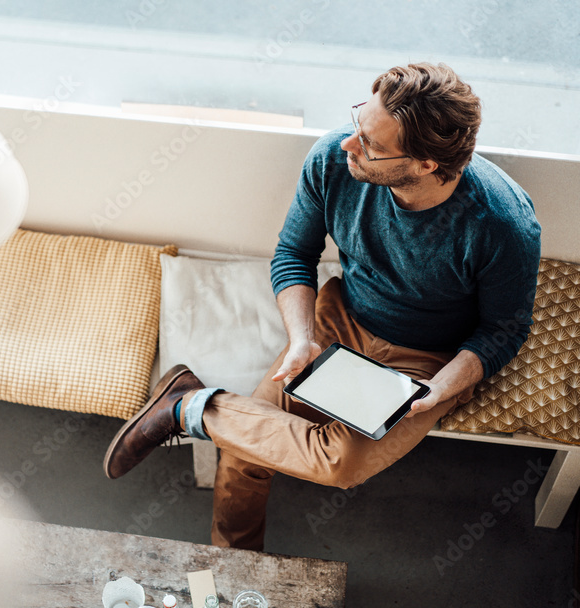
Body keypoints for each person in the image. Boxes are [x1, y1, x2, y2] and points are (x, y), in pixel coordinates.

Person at [103, 62, 541, 551]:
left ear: (425, 164)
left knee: (340, 464)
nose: (349, 145)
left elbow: (503, 330)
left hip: (426, 360)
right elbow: (294, 254)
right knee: (243, 452)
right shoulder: (332, 161)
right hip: (340, 322)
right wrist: (301, 338)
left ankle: (189, 407)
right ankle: (235, 565)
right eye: (359, 123)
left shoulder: (502, 224)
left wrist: (439, 390)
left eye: (371, 145)